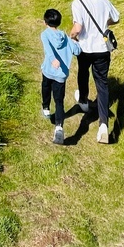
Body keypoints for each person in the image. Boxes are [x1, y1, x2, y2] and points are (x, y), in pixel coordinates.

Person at [70, 0, 120, 145]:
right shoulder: (104, 1)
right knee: (102, 83)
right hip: (102, 49)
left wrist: (72, 36)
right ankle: (104, 125)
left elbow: (78, 28)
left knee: (83, 73)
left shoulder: (77, 3)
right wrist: (105, 23)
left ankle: (83, 100)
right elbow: (116, 18)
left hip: (85, 47)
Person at [40, 8, 80, 145]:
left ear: (45, 22)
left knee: (46, 88)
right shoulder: (66, 37)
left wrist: (52, 60)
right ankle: (59, 127)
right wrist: (75, 40)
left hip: (48, 70)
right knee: (59, 101)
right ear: (59, 22)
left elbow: (48, 49)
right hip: (61, 75)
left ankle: (45, 108)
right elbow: (77, 51)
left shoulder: (45, 34)